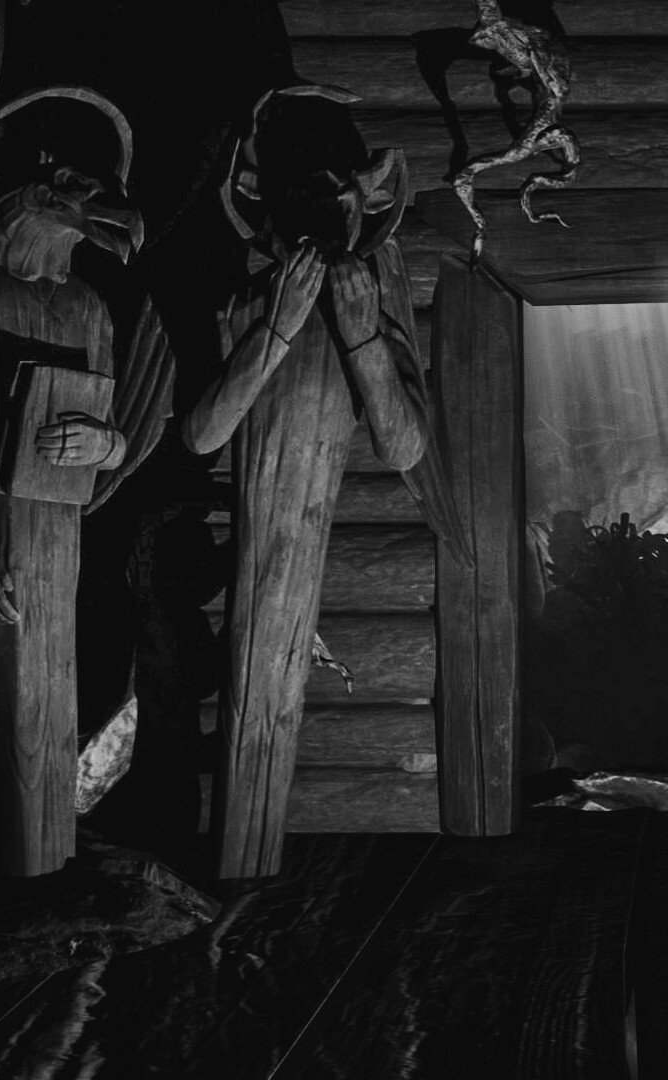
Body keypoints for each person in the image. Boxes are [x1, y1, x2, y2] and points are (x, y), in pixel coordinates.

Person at [0, 88, 157, 876]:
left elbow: (115, 436)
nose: (99, 209)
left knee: (62, 686)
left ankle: (50, 847)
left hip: (64, 542)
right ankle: (7, 853)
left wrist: (105, 441)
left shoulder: (91, 309)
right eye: (73, 189)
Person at [180, 85, 429, 878]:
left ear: (362, 202)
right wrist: (278, 327)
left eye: (336, 195)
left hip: (307, 527)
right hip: (259, 529)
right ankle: (239, 861)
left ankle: (249, 861)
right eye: (303, 197)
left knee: (273, 688)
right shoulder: (246, 301)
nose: (322, 215)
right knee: (249, 684)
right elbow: (203, 431)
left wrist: (361, 338)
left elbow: (403, 445)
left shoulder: (372, 299)